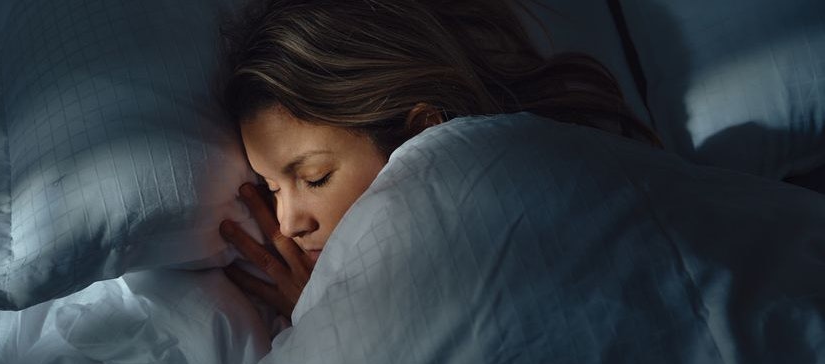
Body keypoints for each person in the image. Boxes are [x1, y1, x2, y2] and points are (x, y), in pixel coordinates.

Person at [216, 0, 659, 320]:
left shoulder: (554, 181)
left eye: (315, 178)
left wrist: (324, 326)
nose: (288, 223)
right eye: (271, 188)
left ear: (419, 132)